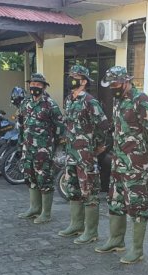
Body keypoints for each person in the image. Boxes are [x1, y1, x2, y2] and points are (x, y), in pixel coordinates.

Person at [95, 66, 148, 263]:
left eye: (115, 84)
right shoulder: (118, 100)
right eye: (111, 85)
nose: (112, 88)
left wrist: (142, 153)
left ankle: (137, 250)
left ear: (125, 81)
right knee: (115, 200)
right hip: (118, 161)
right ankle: (116, 240)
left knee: (137, 205)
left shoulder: (142, 101)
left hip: (135, 163)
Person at [58, 65, 110, 244]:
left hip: (86, 154)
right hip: (71, 153)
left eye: (75, 76)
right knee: (73, 189)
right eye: (70, 75)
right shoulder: (69, 100)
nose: (71, 79)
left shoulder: (90, 101)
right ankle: (76, 225)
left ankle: (91, 231)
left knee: (89, 191)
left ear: (84, 81)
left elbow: (103, 125)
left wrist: (99, 145)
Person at [17, 73, 64, 224]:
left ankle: (46, 213)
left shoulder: (50, 104)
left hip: (43, 150)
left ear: (43, 87)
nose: (34, 87)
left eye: (38, 85)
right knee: (30, 177)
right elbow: (21, 124)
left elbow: (60, 127)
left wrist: (54, 147)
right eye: (33, 84)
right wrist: (21, 144)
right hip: (28, 148)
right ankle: (34, 208)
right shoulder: (25, 103)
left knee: (44, 178)